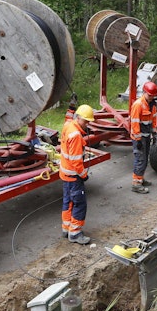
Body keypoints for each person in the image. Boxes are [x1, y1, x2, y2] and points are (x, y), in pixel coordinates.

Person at [60, 104, 95, 245]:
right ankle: (75, 233)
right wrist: (84, 175)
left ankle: (66, 228)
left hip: (65, 175)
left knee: (68, 202)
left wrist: (70, 110)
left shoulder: (68, 125)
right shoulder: (75, 136)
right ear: (78, 118)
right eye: (85, 121)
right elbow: (76, 161)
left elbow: (67, 119)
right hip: (74, 176)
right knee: (79, 204)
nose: (87, 124)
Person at [129, 81, 157, 194]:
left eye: (153, 95)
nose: (151, 97)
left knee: (145, 159)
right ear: (144, 92)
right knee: (140, 160)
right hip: (139, 138)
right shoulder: (138, 105)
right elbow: (135, 123)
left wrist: (154, 132)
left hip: (146, 136)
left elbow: (153, 119)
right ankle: (136, 184)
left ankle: (140, 179)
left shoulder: (152, 104)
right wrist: (138, 140)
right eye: (149, 95)